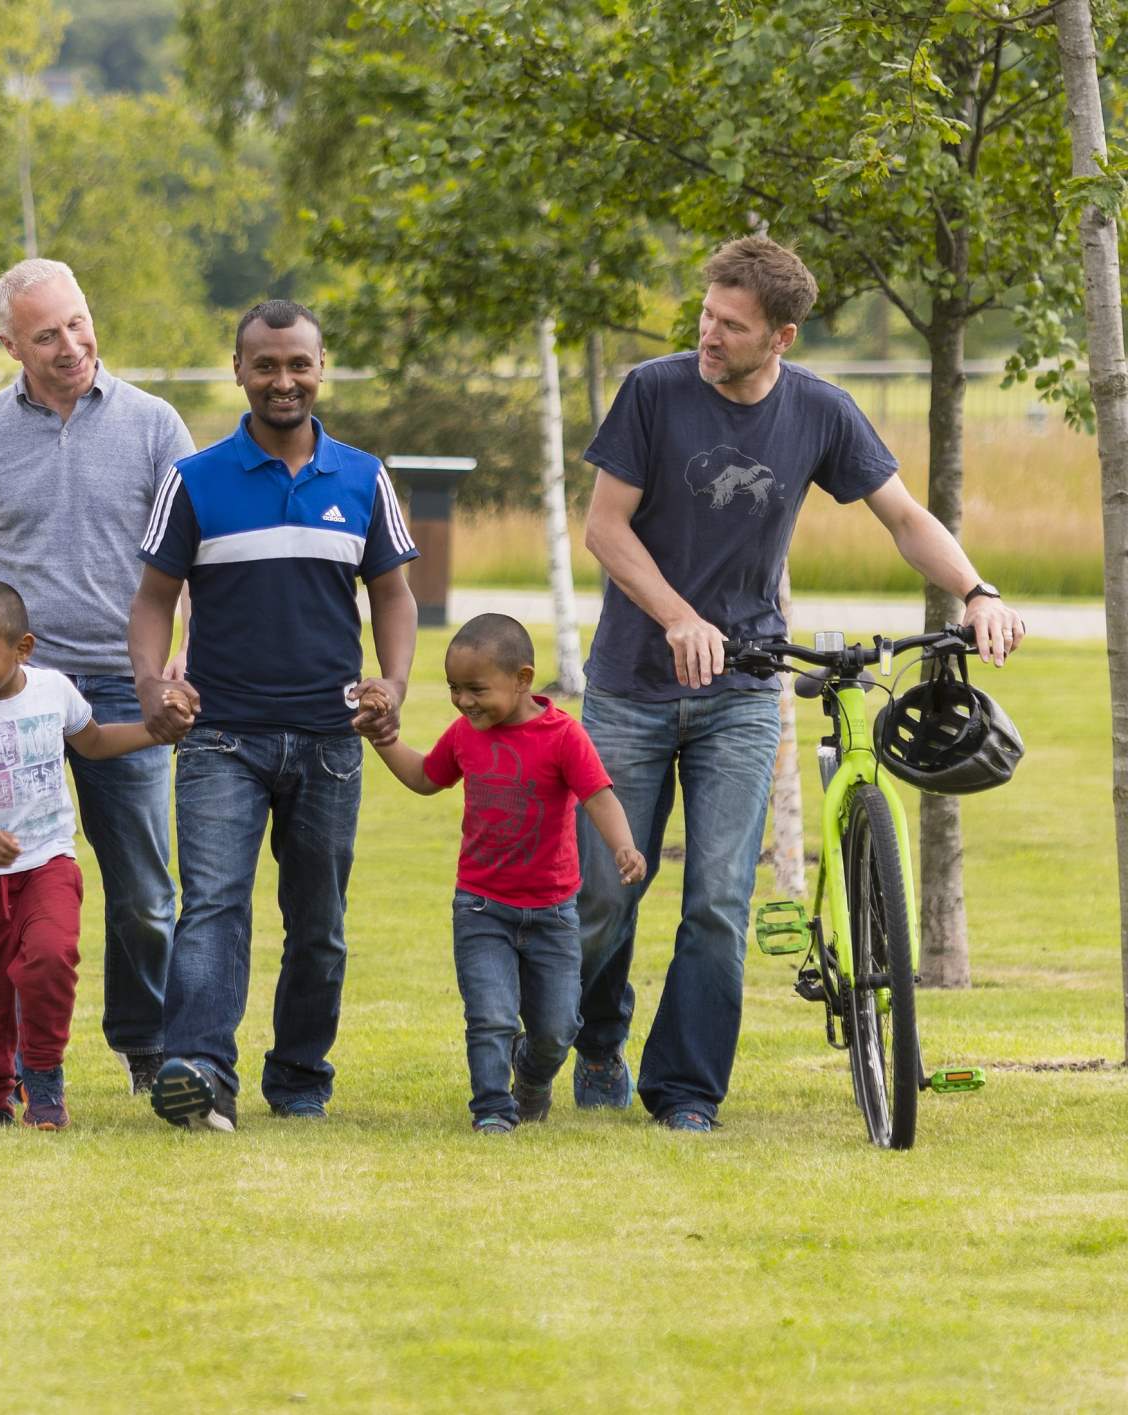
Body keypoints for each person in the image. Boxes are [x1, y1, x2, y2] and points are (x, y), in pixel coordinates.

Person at [571, 234, 1029, 1133]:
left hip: (744, 688)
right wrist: (677, 616)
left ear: (780, 337)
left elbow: (902, 515)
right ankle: (593, 1038)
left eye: (731, 326)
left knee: (716, 899)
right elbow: (604, 527)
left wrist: (976, 590)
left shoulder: (820, 412)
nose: (708, 334)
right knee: (601, 895)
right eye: (706, 315)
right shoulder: (654, 392)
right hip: (630, 684)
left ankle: (686, 1092)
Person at [131, 298, 420, 1132]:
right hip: (220, 736)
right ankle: (200, 1073)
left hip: (330, 741)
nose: (283, 379)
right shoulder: (193, 480)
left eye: (298, 364)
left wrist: (392, 684)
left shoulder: (364, 477)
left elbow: (393, 594)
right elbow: (151, 600)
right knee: (213, 905)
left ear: (321, 367)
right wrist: (152, 684)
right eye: (266, 364)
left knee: (319, 925)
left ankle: (298, 1075)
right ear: (239, 371)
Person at [0, 258, 197, 1096]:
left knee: (145, 894)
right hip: (14, 693)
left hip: (126, 687)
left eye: (78, 322)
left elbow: (189, 563)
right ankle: (8, 1061)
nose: (69, 344)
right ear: (10, 342)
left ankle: (141, 1038)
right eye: (46, 333)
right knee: (11, 889)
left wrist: (176, 665)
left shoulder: (156, 425)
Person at [0, 580, 191, 1131]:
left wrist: (154, 734)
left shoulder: (53, 691)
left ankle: (43, 1080)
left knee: (49, 958)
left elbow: (91, 744)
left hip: (47, 863)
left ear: (23, 649)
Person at [369, 614, 646, 1133]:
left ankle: (533, 1078)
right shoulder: (464, 735)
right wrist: (383, 740)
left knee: (557, 1028)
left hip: (552, 913)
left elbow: (598, 797)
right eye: (454, 688)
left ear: (522, 679)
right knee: (491, 1017)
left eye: (476, 689)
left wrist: (624, 847)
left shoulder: (563, 736)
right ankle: (493, 1110)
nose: (463, 701)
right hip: (480, 907)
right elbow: (426, 778)